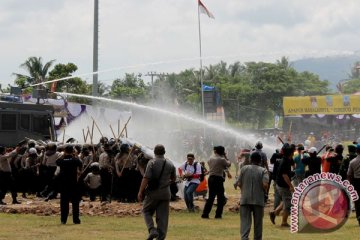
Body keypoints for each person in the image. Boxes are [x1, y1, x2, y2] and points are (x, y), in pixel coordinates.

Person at [137, 144, 176, 240]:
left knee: (146, 211)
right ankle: (161, 238)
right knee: (162, 218)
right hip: (165, 194)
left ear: (154, 152)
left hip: (153, 193)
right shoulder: (170, 163)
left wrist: (140, 191)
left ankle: (152, 230)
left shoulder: (152, 162)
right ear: (164, 152)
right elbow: (173, 179)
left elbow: (146, 178)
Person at [236, 152, 269, 240]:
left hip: (245, 199)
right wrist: (264, 192)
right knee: (258, 223)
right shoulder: (263, 170)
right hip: (258, 199)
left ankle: (244, 238)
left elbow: (238, 183)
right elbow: (265, 185)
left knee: (245, 222)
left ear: (250, 159)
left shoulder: (243, 169)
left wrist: (244, 191)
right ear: (260, 160)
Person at [201, 146, 231, 219]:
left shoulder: (211, 158)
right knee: (220, 198)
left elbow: (210, 164)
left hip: (211, 178)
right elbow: (228, 164)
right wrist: (226, 157)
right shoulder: (222, 159)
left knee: (211, 197)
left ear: (216, 151)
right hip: (218, 178)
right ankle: (218, 215)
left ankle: (205, 214)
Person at [56, 144, 82, 224]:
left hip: (64, 184)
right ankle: (76, 220)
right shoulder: (75, 160)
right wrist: (76, 154)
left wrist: (63, 154)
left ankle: (63, 220)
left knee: (64, 203)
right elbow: (80, 163)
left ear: (65, 151)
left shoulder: (62, 161)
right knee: (75, 203)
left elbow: (57, 161)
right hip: (73, 183)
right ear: (72, 151)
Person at [271, 143, 294, 227]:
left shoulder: (284, 159)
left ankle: (274, 213)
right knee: (288, 204)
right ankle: (284, 222)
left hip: (279, 184)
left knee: (286, 200)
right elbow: (285, 175)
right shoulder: (285, 161)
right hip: (283, 185)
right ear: (291, 153)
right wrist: (291, 186)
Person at [347, 144, 360, 226]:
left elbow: (349, 175)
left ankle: (359, 217)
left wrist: (351, 184)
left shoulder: (352, 162)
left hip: (357, 182)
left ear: (357, 151)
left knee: (357, 202)